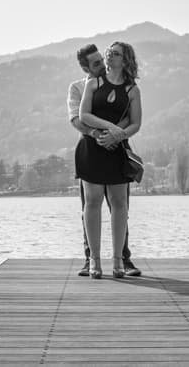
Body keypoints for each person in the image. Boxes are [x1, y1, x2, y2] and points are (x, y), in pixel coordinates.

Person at [68, 44, 140, 277]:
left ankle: (121, 261)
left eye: (111, 54)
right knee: (92, 203)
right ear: (86, 67)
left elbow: (134, 121)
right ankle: (92, 260)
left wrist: (117, 135)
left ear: (125, 59)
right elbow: (80, 118)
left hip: (116, 148)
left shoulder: (131, 89)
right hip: (92, 148)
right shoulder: (84, 85)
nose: (105, 59)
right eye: (98, 61)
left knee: (120, 205)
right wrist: (103, 132)